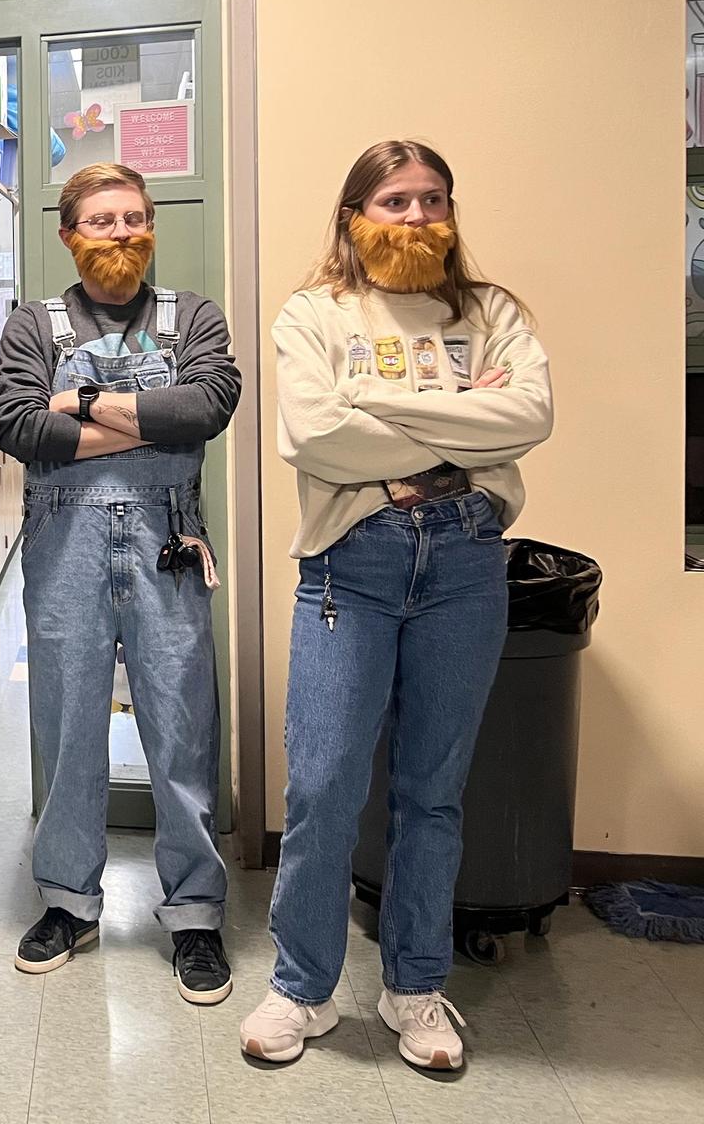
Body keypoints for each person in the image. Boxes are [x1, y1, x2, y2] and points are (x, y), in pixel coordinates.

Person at [240, 141, 552, 1071]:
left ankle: (415, 986)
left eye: (432, 200)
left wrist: (377, 403)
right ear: (353, 217)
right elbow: (317, 437)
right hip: (352, 562)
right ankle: (301, 988)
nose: (416, 217)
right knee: (325, 785)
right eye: (394, 201)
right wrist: (460, 411)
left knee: (432, 790)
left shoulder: (491, 312)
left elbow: (529, 417)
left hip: (466, 562)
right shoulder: (314, 312)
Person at [0, 162, 241, 996]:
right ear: (70, 235)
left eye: (134, 218)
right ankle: (68, 900)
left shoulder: (192, 317)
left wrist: (85, 405)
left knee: (180, 728)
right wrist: (145, 426)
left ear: (151, 227)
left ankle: (196, 913)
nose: (122, 234)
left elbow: (208, 408)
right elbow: (20, 425)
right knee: (66, 731)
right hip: (68, 547)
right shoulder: (35, 323)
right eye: (101, 221)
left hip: (169, 541)